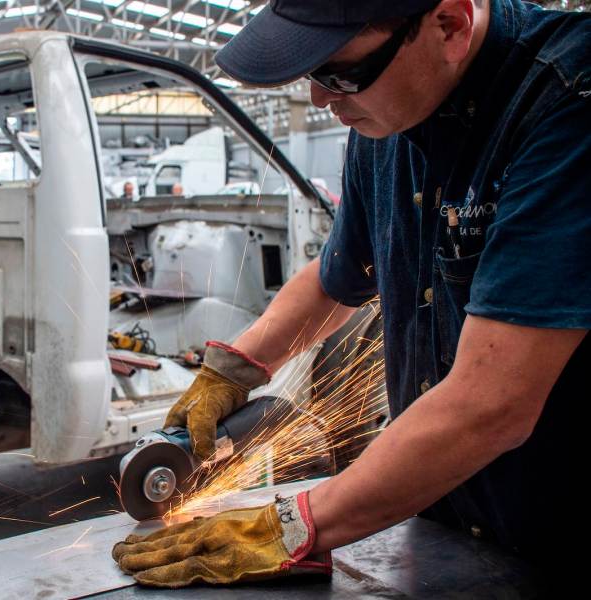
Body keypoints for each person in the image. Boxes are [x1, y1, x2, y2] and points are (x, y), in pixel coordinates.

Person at [112, 0, 589, 588]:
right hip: (447, 524)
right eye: (312, 74)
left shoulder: (570, 97)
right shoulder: (386, 112)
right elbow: (338, 277)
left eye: (340, 74)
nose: (319, 98)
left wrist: (293, 525)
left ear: (450, 25)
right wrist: (234, 370)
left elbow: (492, 403)